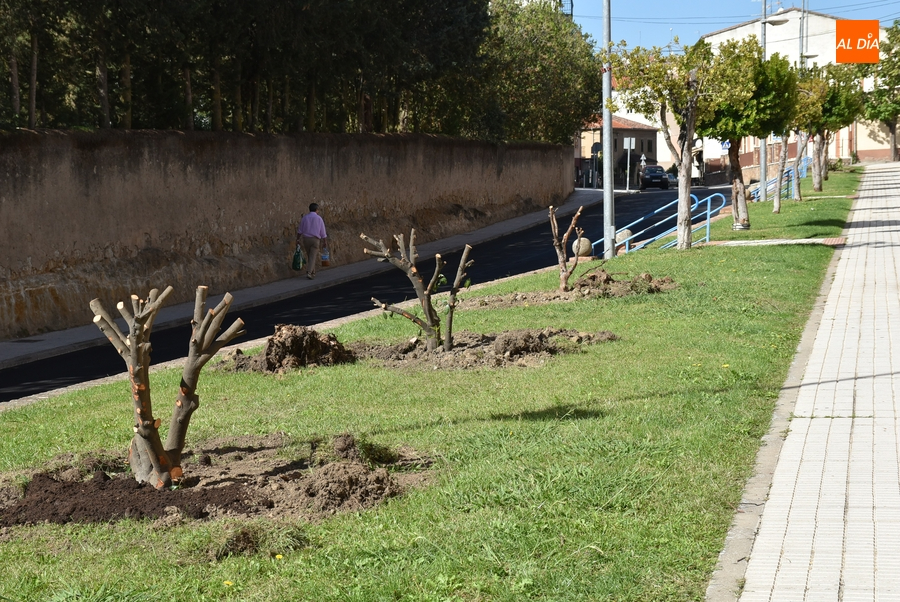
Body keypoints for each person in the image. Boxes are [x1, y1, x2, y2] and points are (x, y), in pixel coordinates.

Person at [296, 203, 327, 279]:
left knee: (310, 255)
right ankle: (309, 272)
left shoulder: (305, 218)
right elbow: (323, 232)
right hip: (315, 240)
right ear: (316, 210)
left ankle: (313, 272)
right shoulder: (319, 219)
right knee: (313, 256)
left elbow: (300, 230)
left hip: (306, 239)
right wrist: (324, 241)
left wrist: (297, 239)